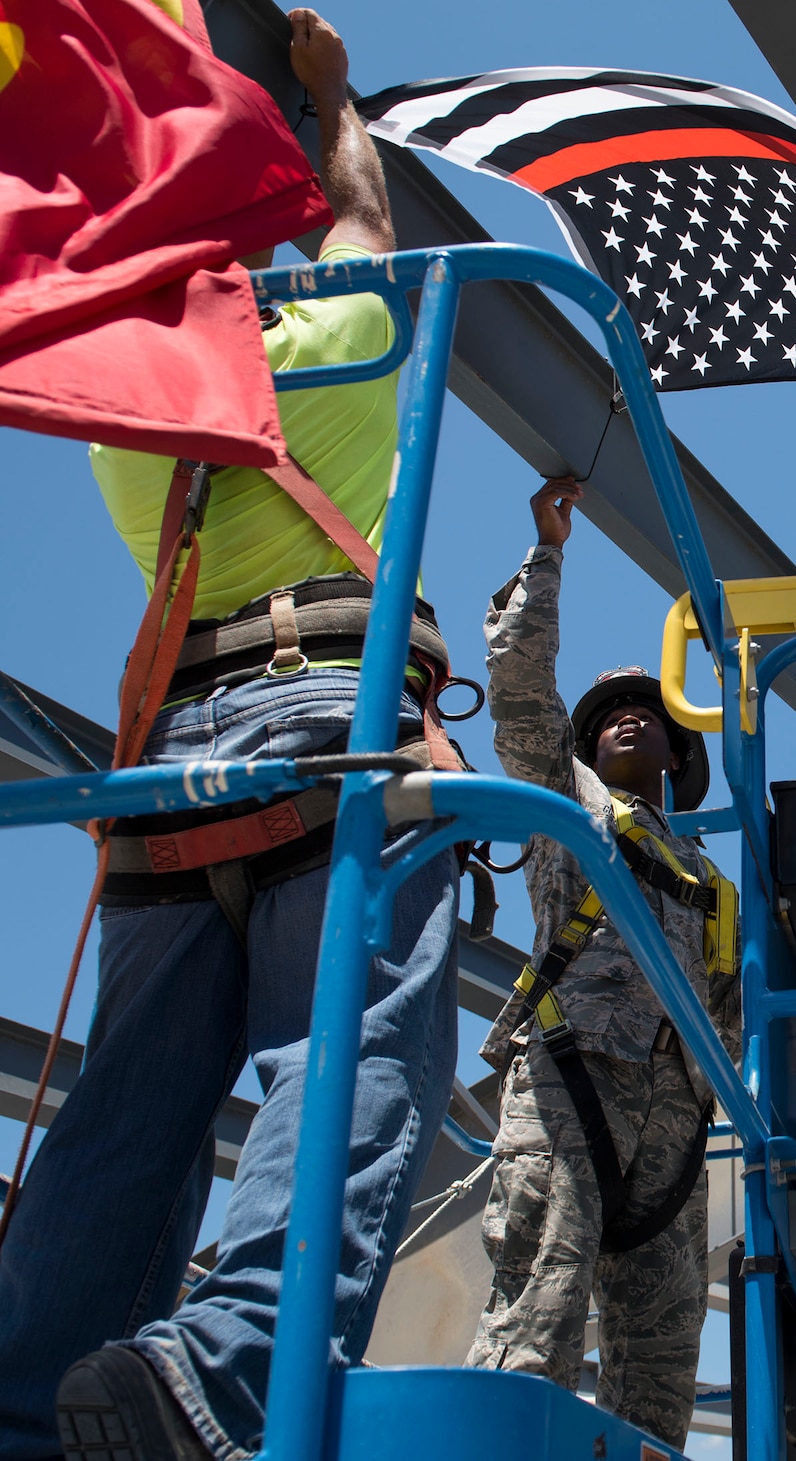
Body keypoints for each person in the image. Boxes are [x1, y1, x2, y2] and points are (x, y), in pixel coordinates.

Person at [0, 13, 462, 1461]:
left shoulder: (115, 428)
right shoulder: (336, 339)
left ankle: (30, 1397)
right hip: (330, 722)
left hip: (167, 775)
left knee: (127, 1103)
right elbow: (368, 222)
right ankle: (226, 1369)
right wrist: (334, 103)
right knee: (356, 1048)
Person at [466, 477, 739, 1447]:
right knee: (533, 1330)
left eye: (646, 711)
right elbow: (521, 695)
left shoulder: (711, 885)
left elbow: (728, 1016)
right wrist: (545, 556)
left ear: (674, 748)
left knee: (661, 1375)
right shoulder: (570, 806)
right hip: (572, 1089)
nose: (628, 718)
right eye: (612, 712)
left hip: (673, 1141)